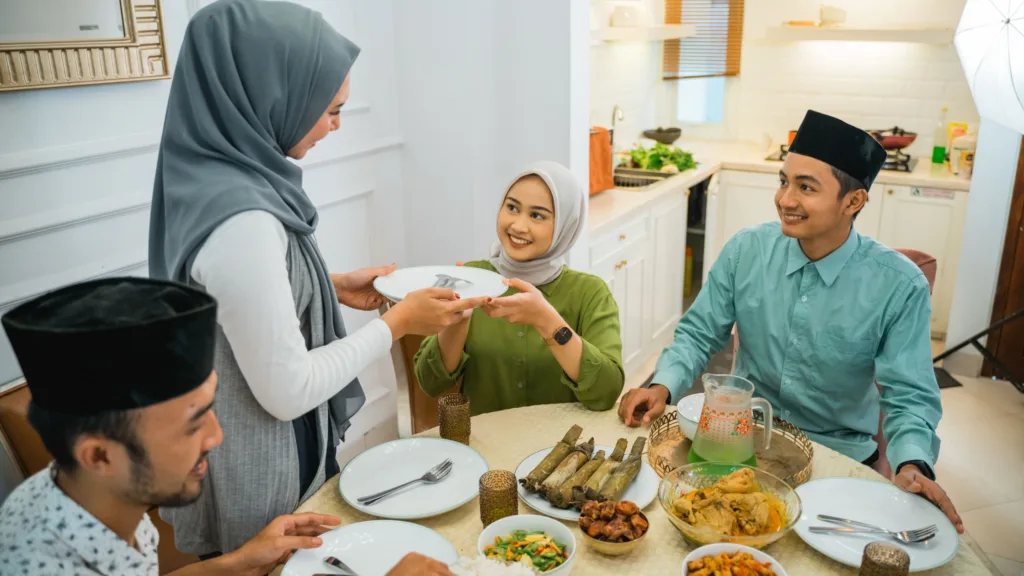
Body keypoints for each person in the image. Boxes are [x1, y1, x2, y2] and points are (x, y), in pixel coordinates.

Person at [147, 0, 488, 558]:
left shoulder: (214, 178)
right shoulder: (242, 221)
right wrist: (399, 324)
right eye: (329, 108)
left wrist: (329, 285)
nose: (336, 125)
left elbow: (226, 299)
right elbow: (289, 391)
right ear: (271, 93)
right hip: (258, 468)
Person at [617, 110, 962, 532]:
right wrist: (661, 384)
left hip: (835, 458)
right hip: (736, 447)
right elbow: (698, 332)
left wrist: (912, 461)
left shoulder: (898, 285)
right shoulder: (747, 251)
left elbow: (909, 393)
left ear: (853, 202)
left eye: (806, 187)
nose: (785, 199)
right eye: (784, 181)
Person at [0, 278, 454, 576]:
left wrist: (236, 562)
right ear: (99, 455)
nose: (216, 437)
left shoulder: (79, 497)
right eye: (191, 425)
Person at [414, 161, 624, 414]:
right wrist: (458, 323)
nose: (518, 226)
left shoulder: (590, 293)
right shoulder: (470, 278)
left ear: (564, 227)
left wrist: (547, 321)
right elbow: (429, 383)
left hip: (563, 448)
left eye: (537, 215)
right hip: (483, 447)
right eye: (512, 207)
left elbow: (606, 392)